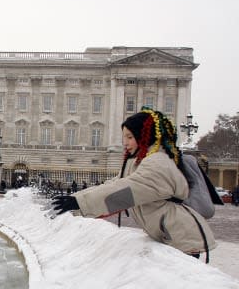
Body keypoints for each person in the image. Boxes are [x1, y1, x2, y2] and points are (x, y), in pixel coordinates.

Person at [52, 107, 216, 258]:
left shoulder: (158, 163)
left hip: (183, 238)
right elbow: (112, 185)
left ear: (144, 136)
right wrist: (74, 200)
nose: (125, 142)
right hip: (171, 235)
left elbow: (126, 191)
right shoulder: (140, 161)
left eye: (130, 137)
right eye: (124, 137)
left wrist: (80, 204)